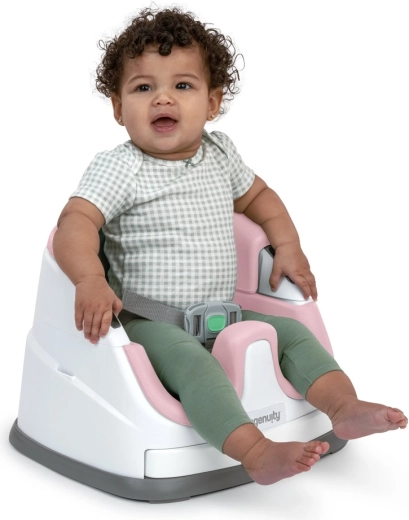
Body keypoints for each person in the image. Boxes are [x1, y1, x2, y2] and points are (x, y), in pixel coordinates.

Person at [53, 7, 407, 486]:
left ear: (212, 102)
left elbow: (260, 199)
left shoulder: (220, 155)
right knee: (193, 363)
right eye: (142, 88)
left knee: (292, 334)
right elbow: (75, 222)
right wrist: (89, 279)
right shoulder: (120, 167)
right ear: (118, 108)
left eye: (183, 85)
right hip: (149, 322)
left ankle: (343, 407)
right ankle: (255, 452)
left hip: (224, 315)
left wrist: (288, 246)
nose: (163, 98)